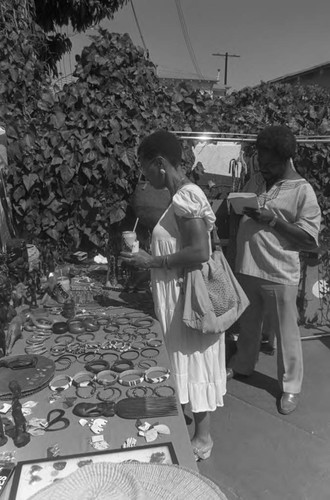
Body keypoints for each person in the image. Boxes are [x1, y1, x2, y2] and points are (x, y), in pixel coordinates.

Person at [121, 130, 226, 461]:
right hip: (176, 293)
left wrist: (151, 260)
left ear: (159, 164)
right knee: (182, 359)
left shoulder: (185, 196)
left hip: (186, 297)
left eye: (144, 168)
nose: (143, 176)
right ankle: (181, 419)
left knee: (195, 360)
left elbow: (199, 250)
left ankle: (203, 438)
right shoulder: (180, 196)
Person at [227, 125, 321, 414]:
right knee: (248, 325)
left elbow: (310, 240)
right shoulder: (257, 179)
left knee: (286, 333)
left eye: (269, 164)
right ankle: (243, 365)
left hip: (280, 273)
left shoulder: (302, 190)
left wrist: (272, 220)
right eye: (261, 162)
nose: (263, 168)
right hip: (248, 267)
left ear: (286, 159)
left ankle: (290, 386)